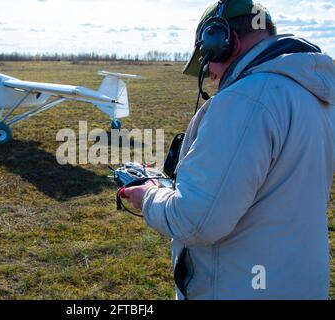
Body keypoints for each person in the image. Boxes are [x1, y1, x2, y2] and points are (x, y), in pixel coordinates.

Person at [124, 0, 335, 299]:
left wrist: (148, 195)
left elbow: (196, 220)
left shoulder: (247, 99)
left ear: (223, 40)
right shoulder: (314, 95)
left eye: (206, 57)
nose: (209, 71)